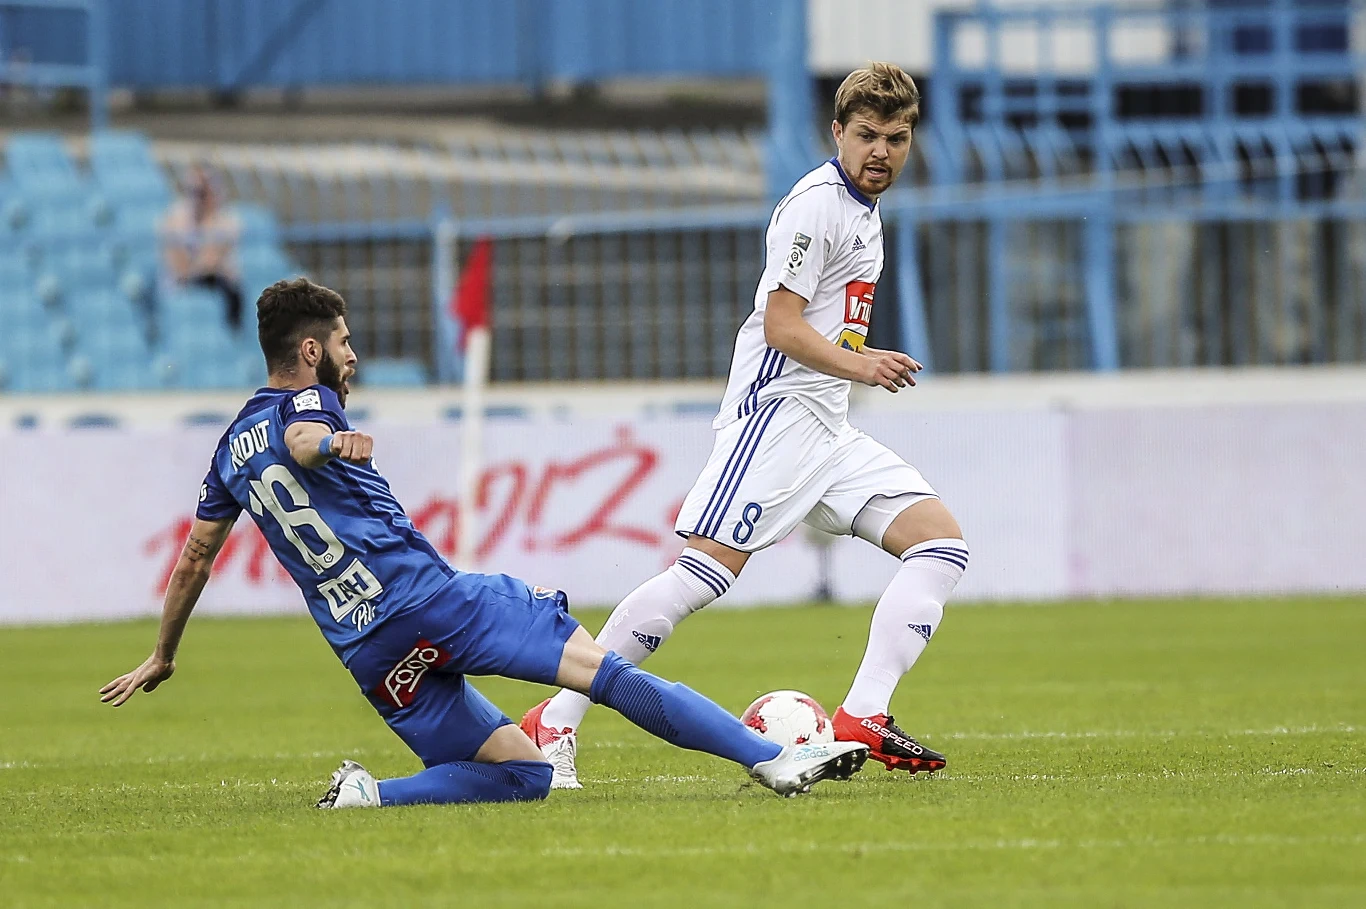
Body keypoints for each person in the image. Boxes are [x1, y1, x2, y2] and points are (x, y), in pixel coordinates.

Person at [99, 278, 868, 808]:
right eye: (343, 341)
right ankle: (771, 757)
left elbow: (196, 556)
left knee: (524, 775)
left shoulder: (231, 446)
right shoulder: (311, 403)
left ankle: (369, 794)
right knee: (601, 669)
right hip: (436, 604)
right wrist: (327, 446)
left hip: (369, 652)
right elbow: (302, 436)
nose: (352, 355)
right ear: (309, 351)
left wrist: (164, 653)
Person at [523, 63, 969, 789]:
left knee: (941, 542)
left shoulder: (865, 211)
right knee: (700, 577)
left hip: (827, 427)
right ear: (837, 133)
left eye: (896, 136)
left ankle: (861, 715)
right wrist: (863, 366)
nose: (881, 150)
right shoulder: (815, 206)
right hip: (777, 417)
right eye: (866, 135)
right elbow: (783, 326)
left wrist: (848, 378)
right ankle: (558, 719)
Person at [159, 164, 245, 329]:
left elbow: (212, 259)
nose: (199, 198)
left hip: (217, 285)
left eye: (204, 191)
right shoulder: (173, 218)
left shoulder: (227, 220)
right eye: (194, 191)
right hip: (180, 288)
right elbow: (181, 267)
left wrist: (207, 222)